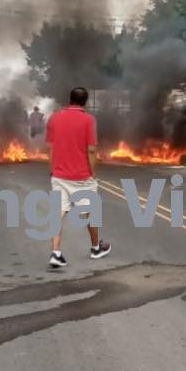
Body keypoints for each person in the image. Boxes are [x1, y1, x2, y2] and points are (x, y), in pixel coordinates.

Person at [45, 87, 110, 268]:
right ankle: (96, 248)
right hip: (82, 176)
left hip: (59, 175)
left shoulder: (54, 118)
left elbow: (50, 148)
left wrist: (53, 169)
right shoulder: (88, 120)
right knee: (91, 213)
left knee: (58, 214)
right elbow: (91, 149)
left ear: (70, 99)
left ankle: (56, 252)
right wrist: (92, 172)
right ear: (86, 102)